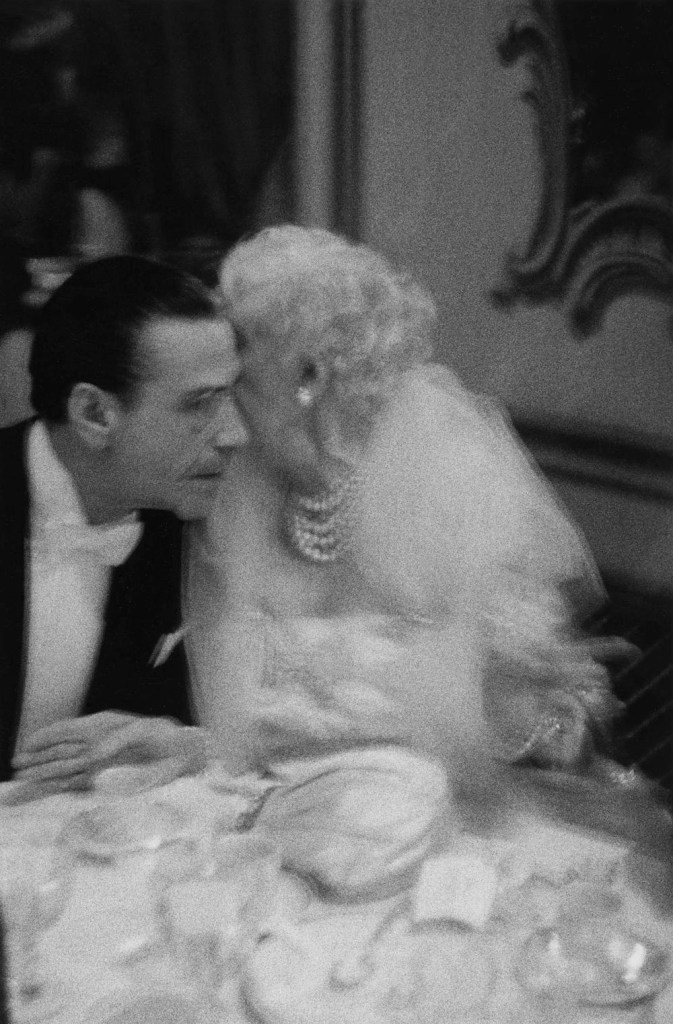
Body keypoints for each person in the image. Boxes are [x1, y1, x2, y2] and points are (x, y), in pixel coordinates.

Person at [186, 225, 657, 899]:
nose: (220, 392)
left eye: (240, 363)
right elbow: (228, 723)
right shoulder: (237, 489)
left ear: (309, 375)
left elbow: (542, 730)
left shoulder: (447, 478)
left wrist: (528, 697)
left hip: (443, 852)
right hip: (277, 851)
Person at [1, 254, 248, 788]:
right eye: (199, 404)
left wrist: (176, 740)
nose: (233, 435)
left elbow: (200, 717)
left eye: (230, 397)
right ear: (94, 414)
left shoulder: (181, 523)